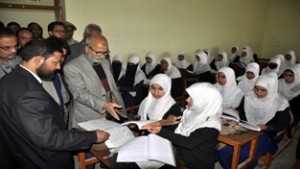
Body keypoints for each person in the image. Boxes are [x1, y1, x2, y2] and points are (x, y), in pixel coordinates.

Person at [0, 39, 110, 169]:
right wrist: (93, 136)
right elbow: (50, 138)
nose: (58, 67)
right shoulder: (28, 93)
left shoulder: (9, 79)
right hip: (40, 160)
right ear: (38, 60)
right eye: (56, 62)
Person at [218, 72, 292, 169]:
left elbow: (283, 123)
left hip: (265, 134)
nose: (258, 93)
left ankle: (250, 164)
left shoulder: (280, 102)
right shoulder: (248, 96)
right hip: (246, 129)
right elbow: (242, 112)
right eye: (256, 88)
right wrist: (236, 112)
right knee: (223, 153)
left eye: (263, 90)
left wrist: (267, 127)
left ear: (271, 89)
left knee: (244, 155)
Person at [145, 82, 222, 169]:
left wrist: (160, 131)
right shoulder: (191, 112)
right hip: (180, 155)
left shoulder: (211, 125)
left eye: (191, 98)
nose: (187, 100)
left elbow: (189, 143)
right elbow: (183, 128)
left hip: (196, 163)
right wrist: (173, 121)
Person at [63, 35, 126, 128]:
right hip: (89, 116)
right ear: (87, 49)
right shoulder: (72, 67)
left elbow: (109, 86)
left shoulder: (105, 62)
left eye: (105, 52)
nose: (102, 56)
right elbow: (80, 93)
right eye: (98, 52)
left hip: (111, 111)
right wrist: (104, 104)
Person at [42, 37, 71, 125]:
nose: (62, 60)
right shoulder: (38, 76)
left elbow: (63, 99)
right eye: (60, 56)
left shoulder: (56, 74)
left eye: (64, 57)